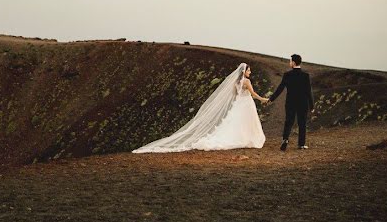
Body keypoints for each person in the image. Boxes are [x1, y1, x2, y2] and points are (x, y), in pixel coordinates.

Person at [132, 62, 269, 153]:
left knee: (236, 123)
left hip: (238, 103)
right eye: (249, 70)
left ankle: (243, 137)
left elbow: (234, 94)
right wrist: (263, 99)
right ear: (244, 72)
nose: (250, 72)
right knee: (245, 122)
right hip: (245, 103)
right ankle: (247, 138)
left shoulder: (236, 82)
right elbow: (253, 93)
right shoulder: (247, 81)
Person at [268, 53, 314, 151]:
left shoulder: (287, 75)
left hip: (290, 102)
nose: (289, 63)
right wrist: (312, 105)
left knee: (288, 122)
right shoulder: (305, 75)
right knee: (302, 123)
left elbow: (280, 88)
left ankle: (285, 140)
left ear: (293, 62)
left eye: (290, 61)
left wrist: (271, 99)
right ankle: (301, 144)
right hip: (303, 103)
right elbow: (308, 91)